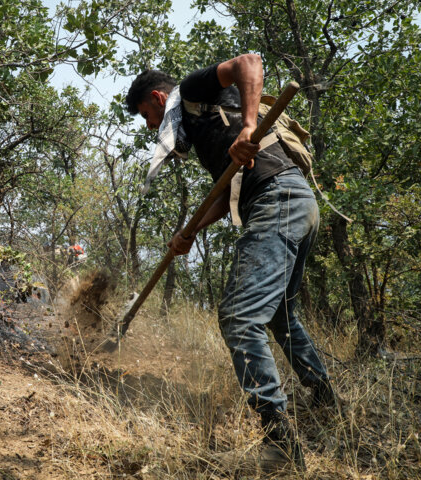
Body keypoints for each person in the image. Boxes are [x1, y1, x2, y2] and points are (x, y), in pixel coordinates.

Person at [126, 54, 340, 472]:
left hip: (278, 198)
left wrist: (248, 127)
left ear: (157, 97)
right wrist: (190, 231)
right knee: (279, 316)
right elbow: (226, 196)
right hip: (295, 203)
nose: (151, 127)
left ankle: (279, 442)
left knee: (240, 318)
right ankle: (327, 400)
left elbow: (249, 63)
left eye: (147, 116)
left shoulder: (190, 91)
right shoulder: (204, 129)